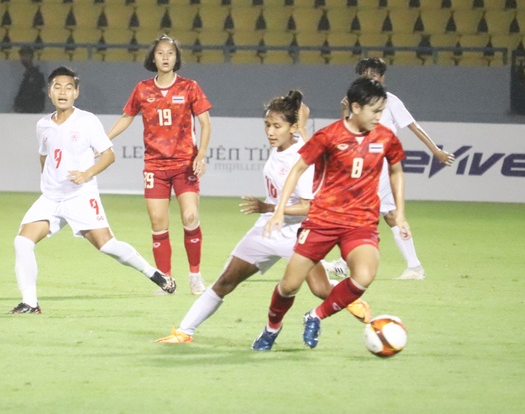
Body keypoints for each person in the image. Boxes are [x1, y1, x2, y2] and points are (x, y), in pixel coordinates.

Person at [155, 90, 371, 344]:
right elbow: (303, 111)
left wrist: (269, 208)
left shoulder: (302, 159)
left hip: (300, 234)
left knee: (321, 290)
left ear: (291, 127)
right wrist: (294, 104)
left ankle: (351, 299)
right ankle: (184, 331)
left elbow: (309, 207)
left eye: (277, 126)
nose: (270, 131)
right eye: (267, 125)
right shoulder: (289, 140)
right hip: (267, 229)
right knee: (226, 280)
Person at [252, 77, 408, 351]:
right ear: (356, 107)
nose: (379, 117)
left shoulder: (385, 138)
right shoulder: (330, 135)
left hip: (361, 223)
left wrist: (402, 214)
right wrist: (278, 210)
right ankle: (271, 329)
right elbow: (298, 168)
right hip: (323, 220)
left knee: (364, 276)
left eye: (381, 111)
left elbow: (396, 170)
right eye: (375, 111)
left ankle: (316, 316)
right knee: (289, 286)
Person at [8, 66, 176, 314]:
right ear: (50, 92)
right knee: (22, 242)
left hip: (80, 196)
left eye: (68, 87)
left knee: (107, 246)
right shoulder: (42, 125)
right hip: (52, 198)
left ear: (76, 92)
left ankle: (154, 273)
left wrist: (86, 174)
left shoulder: (87, 121)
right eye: (57, 87)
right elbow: (44, 157)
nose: (62, 92)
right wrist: (48, 182)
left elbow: (109, 156)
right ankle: (30, 303)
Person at [322, 57, 455, 281]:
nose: (369, 78)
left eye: (374, 74)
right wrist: (343, 110)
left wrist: (436, 151)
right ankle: (409, 266)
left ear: (382, 78)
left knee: (368, 213)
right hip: (362, 165)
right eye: (365, 74)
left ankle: (411, 267)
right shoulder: (355, 102)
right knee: (381, 214)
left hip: (380, 165)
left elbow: (414, 126)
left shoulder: (390, 101)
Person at [107, 35, 212, 296]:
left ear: (177, 58)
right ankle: (166, 281)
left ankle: (195, 275)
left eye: (170, 53)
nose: (165, 57)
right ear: (153, 58)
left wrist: (202, 155)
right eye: (161, 53)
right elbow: (126, 117)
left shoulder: (189, 87)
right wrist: (103, 139)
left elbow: (206, 123)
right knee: (157, 223)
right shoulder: (142, 89)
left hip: (184, 163)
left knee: (190, 216)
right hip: (155, 165)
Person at [13, 45, 46, 113]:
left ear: (31, 56)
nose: (23, 58)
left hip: (31, 110)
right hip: (25, 111)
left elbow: (32, 93)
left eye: (25, 55)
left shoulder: (36, 75)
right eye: (22, 56)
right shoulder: (27, 75)